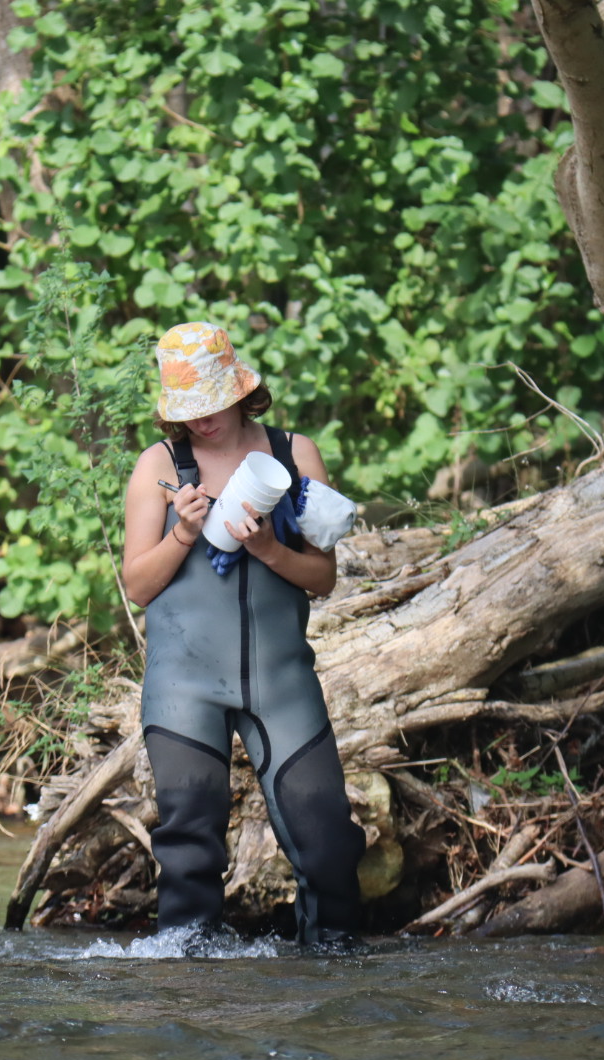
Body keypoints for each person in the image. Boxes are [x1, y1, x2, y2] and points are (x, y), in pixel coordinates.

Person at [121, 321, 365, 947]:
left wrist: (266, 548)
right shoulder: (159, 467)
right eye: (188, 411)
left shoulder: (293, 455)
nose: (201, 421)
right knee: (188, 850)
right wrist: (182, 534)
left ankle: (339, 988)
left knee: (328, 840)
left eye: (210, 405)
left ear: (238, 390)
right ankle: (189, 996)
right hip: (185, 688)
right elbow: (137, 586)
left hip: (281, 684)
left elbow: (324, 578)